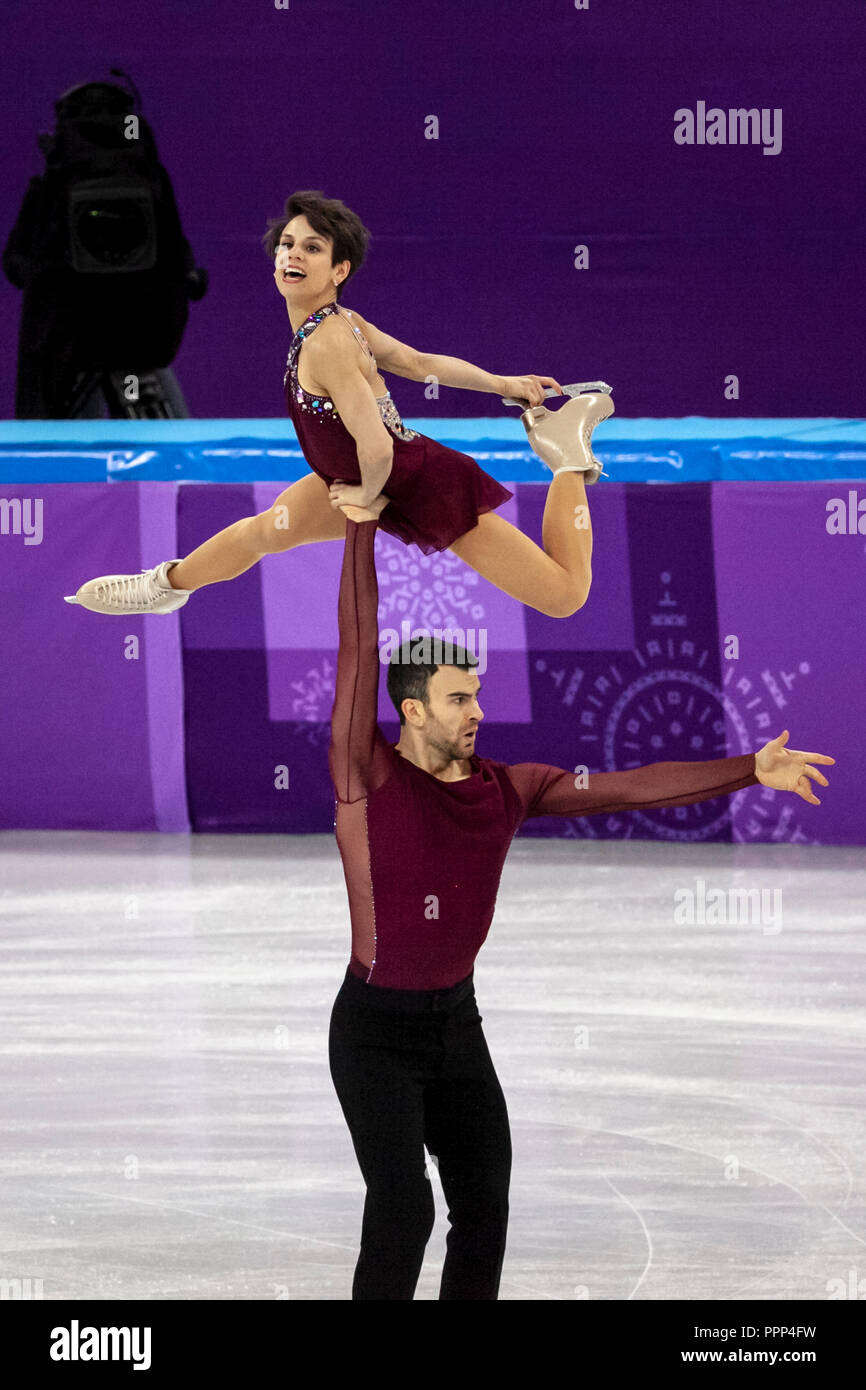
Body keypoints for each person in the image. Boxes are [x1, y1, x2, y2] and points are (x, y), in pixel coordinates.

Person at [325, 493, 834, 1300]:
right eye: (459, 699)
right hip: (373, 1034)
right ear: (412, 708)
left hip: (456, 1025)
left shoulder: (511, 788)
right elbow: (359, 645)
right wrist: (358, 526)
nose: (477, 711)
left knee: (484, 1208)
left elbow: (629, 788)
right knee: (403, 1206)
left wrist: (747, 767)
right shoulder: (367, 773)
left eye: (478, 695)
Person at [64, 190, 612, 620]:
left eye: (312, 248)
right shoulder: (339, 323)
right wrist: (505, 383)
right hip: (360, 477)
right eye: (287, 244)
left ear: (338, 271)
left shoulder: (330, 342)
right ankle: (163, 586)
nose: (292, 255)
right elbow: (420, 363)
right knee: (266, 531)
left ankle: (566, 457)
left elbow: (376, 446)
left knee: (564, 596)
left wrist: (363, 498)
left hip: (416, 485)